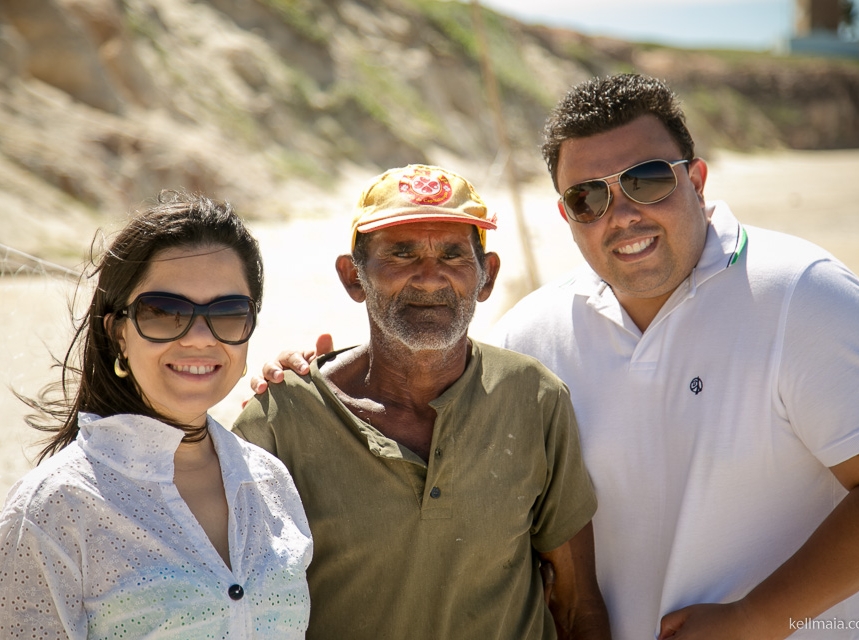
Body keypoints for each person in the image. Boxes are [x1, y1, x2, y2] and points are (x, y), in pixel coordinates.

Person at [257, 76, 859, 639]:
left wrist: (758, 621)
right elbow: (432, 376)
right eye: (589, 197)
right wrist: (306, 376)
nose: (621, 214)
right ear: (567, 214)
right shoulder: (536, 333)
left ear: (697, 180)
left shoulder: (800, 292)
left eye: (647, 181)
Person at [233, 164, 610, 639]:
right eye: (401, 254)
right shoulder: (281, 420)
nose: (430, 278)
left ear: (486, 277)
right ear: (353, 277)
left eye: (453, 255)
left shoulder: (534, 399)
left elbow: (576, 604)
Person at [0, 192, 312, 639]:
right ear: (118, 332)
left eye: (229, 313)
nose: (199, 338)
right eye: (163, 312)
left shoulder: (272, 483)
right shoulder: (54, 507)